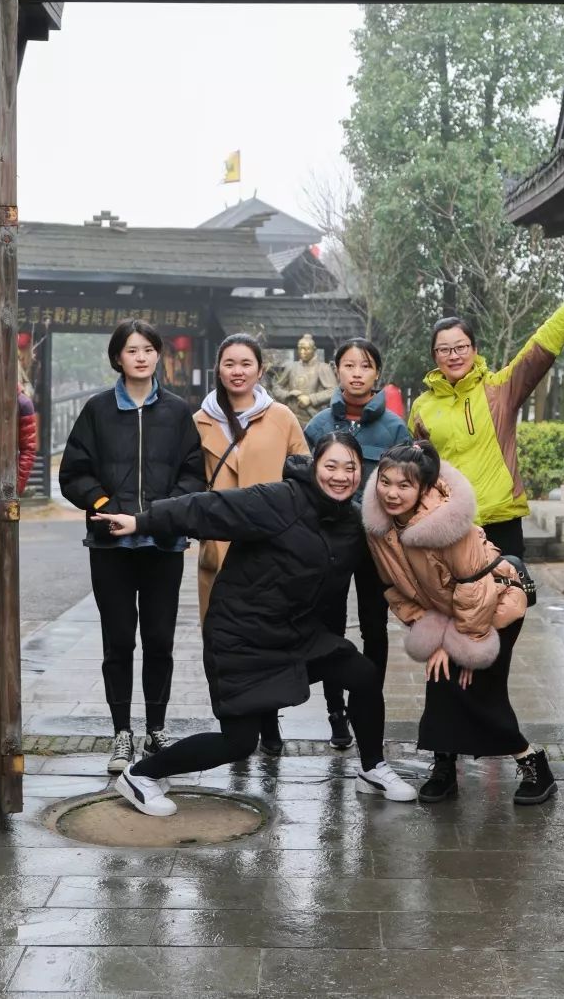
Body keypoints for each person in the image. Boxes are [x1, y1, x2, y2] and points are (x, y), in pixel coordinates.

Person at [96, 433, 418, 817]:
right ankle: (142, 775)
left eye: (350, 468)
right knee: (239, 742)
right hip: (241, 635)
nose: (340, 476)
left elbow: (390, 572)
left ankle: (372, 768)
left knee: (362, 674)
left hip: (296, 634)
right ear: (315, 466)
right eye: (330, 465)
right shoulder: (278, 500)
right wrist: (142, 521)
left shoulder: (352, 522)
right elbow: (208, 509)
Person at [363, 438, 554, 805]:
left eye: (404, 485)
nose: (392, 493)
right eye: (385, 482)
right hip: (449, 612)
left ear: (423, 488)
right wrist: (436, 638)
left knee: (479, 691)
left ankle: (533, 764)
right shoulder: (380, 528)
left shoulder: (447, 523)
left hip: (495, 605)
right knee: (441, 682)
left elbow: (476, 589)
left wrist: (465, 646)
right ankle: (444, 766)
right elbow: (395, 589)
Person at [59, 319, 203, 776]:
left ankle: (155, 729)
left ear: (159, 355)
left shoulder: (177, 412)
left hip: (163, 544)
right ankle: (121, 732)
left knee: (159, 640)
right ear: (117, 358)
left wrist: (158, 515)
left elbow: (193, 475)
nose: (141, 357)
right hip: (110, 548)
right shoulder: (98, 410)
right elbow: (73, 473)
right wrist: (104, 506)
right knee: (118, 640)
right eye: (131, 350)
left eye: (148, 349)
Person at [408, 258, 564, 557]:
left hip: (500, 519)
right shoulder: (422, 407)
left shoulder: (499, 391)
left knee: (508, 588)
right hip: (447, 521)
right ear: (435, 355)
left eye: (461, 347)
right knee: (455, 589)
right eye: (444, 349)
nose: (454, 355)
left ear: (474, 349)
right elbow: (417, 466)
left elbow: (537, 352)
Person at [194, 333, 308, 755]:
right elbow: (188, 481)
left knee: (267, 634)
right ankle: (233, 722)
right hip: (220, 545)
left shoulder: (281, 417)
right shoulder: (200, 420)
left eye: (246, 364)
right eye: (230, 363)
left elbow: (304, 474)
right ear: (218, 369)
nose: (237, 371)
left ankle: (269, 719)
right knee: (220, 636)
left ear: (260, 370)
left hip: (270, 546)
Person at [304, 337, 408, 749]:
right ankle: (336, 712)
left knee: (374, 627)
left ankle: (368, 702)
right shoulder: (318, 427)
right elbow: (305, 483)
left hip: (375, 544)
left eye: (365, 366)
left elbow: (405, 485)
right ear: (337, 371)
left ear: (377, 373)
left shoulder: (394, 428)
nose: (357, 373)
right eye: (349, 365)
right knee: (329, 626)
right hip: (328, 541)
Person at [269, 333, 337, 427]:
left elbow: (333, 391)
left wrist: (311, 399)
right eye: (300, 348)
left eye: (306, 349)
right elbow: (276, 387)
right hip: (291, 419)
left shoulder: (322, 368)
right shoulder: (291, 367)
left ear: (314, 350)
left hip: (313, 420)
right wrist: (288, 394)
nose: (302, 352)